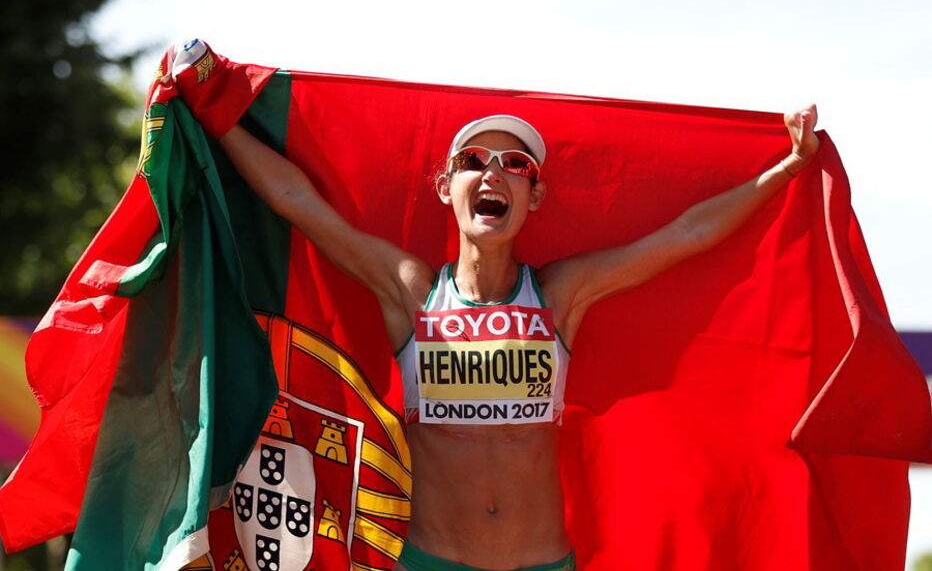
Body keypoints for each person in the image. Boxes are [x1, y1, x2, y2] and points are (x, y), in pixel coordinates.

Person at [213, 77, 819, 570]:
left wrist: (788, 168)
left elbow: (688, 235)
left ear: (535, 196)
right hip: (431, 561)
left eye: (515, 164)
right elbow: (298, 203)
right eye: (474, 161)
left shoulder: (558, 297)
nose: (493, 172)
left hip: (543, 562)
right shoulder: (411, 291)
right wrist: (214, 115)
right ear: (447, 187)